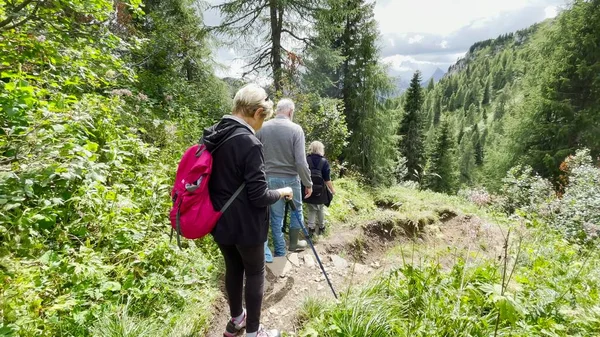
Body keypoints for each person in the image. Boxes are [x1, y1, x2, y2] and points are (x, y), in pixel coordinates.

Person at [203, 84, 289, 337]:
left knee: (233, 268)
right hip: (246, 224)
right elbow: (259, 196)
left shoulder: (215, 133)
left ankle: (237, 319)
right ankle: (254, 332)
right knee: (254, 272)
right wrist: (283, 192)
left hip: (219, 218)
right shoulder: (249, 142)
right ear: (258, 112)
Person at [256, 98, 312, 261]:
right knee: (297, 211)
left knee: (275, 216)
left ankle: (280, 251)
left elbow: (256, 155)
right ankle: (294, 244)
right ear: (290, 111)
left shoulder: (262, 127)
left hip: (269, 179)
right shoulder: (296, 129)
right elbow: (301, 161)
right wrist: (307, 182)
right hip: (291, 179)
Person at [304, 141, 335, 236]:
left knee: (311, 209)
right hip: (321, 190)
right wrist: (332, 189)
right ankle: (322, 227)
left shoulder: (306, 159)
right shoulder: (324, 161)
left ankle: (311, 229)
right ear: (321, 149)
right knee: (320, 208)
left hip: (308, 188)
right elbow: (327, 179)